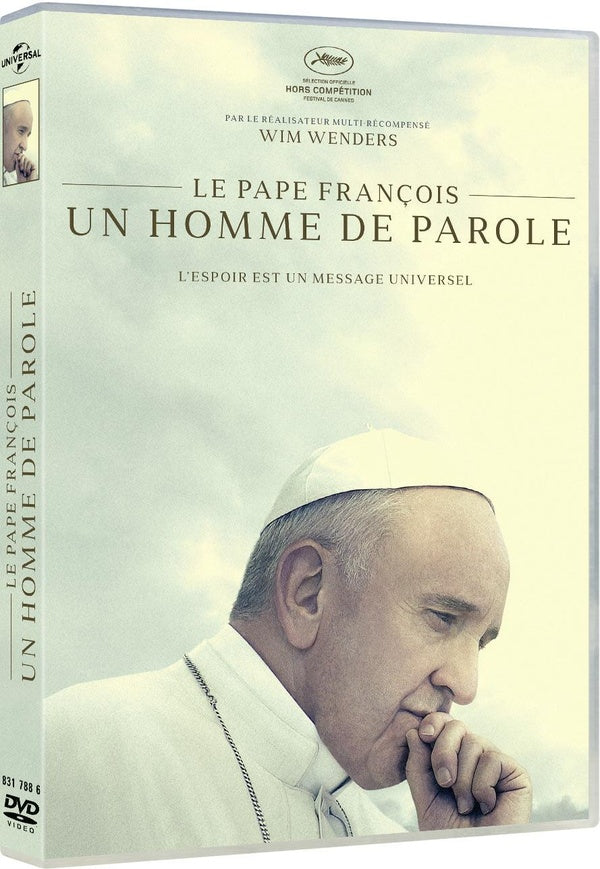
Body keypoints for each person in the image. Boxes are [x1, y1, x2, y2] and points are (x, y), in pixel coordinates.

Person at [44, 429, 532, 859]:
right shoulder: (73, 748)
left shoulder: (396, 841)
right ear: (307, 593)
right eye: (443, 618)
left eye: (480, 643)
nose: (466, 686)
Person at [2, 99, 37, 185]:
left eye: (27, 135)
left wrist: (24, 184)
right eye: (21, 131)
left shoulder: (12, 180)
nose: (25, 146)